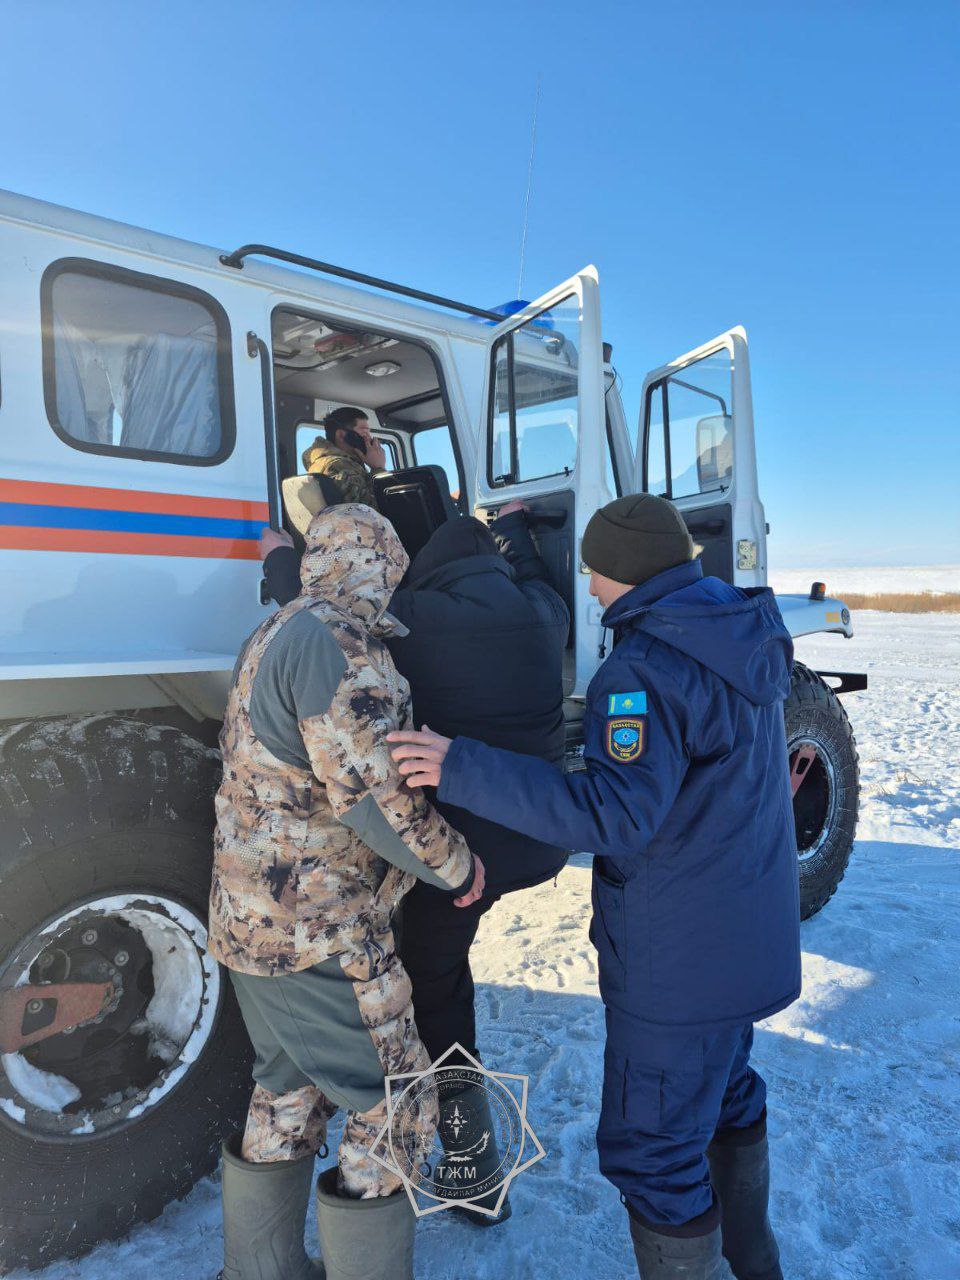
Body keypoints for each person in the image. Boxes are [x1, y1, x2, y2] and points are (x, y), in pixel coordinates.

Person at [388, 493, 802, 1280]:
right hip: (744, 941)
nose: (589, 583)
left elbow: (617, 816)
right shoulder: (738, 633)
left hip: (680, 966)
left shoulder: (642, 672)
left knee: (655, 1155)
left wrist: (462, 766)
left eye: (594, 569)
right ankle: (757, 1263)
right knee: (726, 1097)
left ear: (622, 571)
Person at [260, 501, 571, 1226]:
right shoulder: (543, 613)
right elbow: (537, 577)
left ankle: (473, 1175)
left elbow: (324, 604)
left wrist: (279, 557)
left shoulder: (412, 619)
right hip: (536, 840)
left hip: (457, 856)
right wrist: (515, 530)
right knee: (443, 973)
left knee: (435, 992)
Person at [208, 503, 481, 1280]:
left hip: (250, 923)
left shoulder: (272, 631)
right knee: (398, 1102)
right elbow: (376, 798)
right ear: (380, 566)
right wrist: (457, 865)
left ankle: (258, 1272)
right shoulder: (338, 642)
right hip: (321, 930)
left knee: (287, 1090)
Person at [301, 406, 388, 508]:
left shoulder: (324, 463)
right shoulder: (339, 466)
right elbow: (371, 511)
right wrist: (378, 468)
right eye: (364, 432)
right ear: (341, 435)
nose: (369, 438)